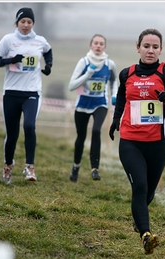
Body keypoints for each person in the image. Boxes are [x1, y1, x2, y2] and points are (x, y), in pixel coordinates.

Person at [108, 28, 165, 254]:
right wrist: (116, 119)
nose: (150, 51)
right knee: (140, 187)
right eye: (146, 46)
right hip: (130, 141)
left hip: (158, 143)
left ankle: (138, 217)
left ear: (161, 49)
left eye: (155, 47)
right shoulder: (127, 73)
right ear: (138, 48)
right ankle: (145, 234)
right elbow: (122, 96)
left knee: (149, 192)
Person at [0, 7, 53, 184]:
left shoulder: (39, 40)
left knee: (30, 126)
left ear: (33, 24)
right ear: (17, 22)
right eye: (22, 21)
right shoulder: (8, 40)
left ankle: (29, 167)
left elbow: (48, 50)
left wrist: (48, 65)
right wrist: (11, 60)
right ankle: (8, 166)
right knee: (12, 134)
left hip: (32, 92)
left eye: (29, 22)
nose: (26, 25)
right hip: (11, 93)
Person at [68, 34, 118, 182]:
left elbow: (114, 82)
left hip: (100, 103)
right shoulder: (83, 62)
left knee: (96, 130)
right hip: (83, 104)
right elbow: (72, 86)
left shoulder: (110, 64)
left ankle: (95, 168)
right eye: (96, 43)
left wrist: (114, 94)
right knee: (81, 137)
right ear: (91, 45)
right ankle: (76, 166)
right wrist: (88, 74)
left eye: (101, 44)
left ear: (105, 47)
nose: (98, 46)